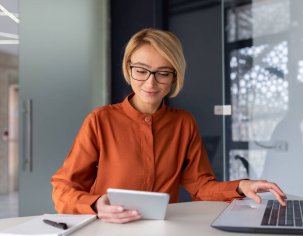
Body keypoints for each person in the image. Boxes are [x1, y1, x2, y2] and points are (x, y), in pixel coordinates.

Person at [51, 28, 286, 224]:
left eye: (162, 73)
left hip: (164, 231)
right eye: (141, 71)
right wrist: (95, 203)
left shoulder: (184, 123)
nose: (150, 83)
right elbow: (63, 188)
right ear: (128, 68)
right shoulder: (100, 121)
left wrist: (242, 185)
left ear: (175, 76)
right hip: (107, 229)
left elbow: (201, 187)